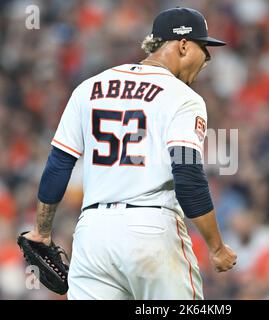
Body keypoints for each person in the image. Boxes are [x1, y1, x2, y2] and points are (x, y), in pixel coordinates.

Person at [24, 6, 237, 300]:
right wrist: (216, 247)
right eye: (205, 49)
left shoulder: (89, 88)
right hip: (151, 230)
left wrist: (41, 231)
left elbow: (58, 165)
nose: (207, 60)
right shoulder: (183, 97)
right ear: (184, 45)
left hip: (93, 236)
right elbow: (188, 176)